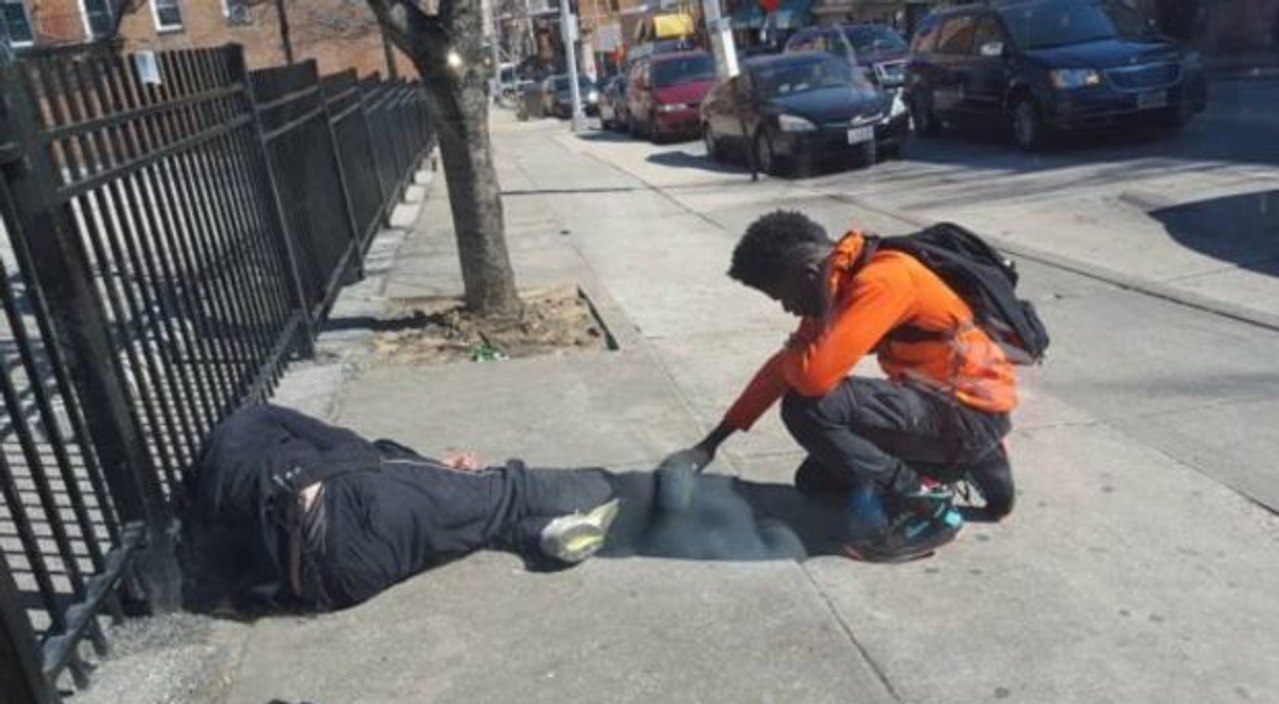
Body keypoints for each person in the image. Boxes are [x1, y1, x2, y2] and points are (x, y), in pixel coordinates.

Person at [679, 211, 1019, 562]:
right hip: (956, 406)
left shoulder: (883, 280)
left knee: (808, 407)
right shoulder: (838, 280)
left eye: (781, 297)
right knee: (817, 482)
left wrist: (797, 349)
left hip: (968, 413)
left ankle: (925, 505)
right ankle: (976, 457)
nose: (786, 309)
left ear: (807, 273)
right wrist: (711, 444)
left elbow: (812, 379)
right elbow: (782, 369)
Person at [182, 405, 619, 613]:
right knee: (506, 490)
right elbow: (355, 450)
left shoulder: (206, 509)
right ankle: (640, 489)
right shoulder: (254, 419)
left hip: (330, 587)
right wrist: (431, 470)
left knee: (462, 526)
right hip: (346, 512)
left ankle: (540, 534)